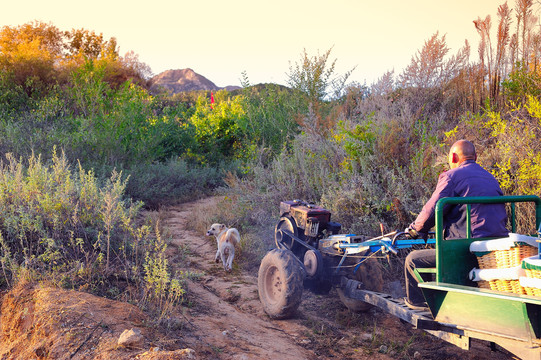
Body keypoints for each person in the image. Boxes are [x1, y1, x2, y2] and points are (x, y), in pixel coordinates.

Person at [404, 139, 508, 310]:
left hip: (467, 249)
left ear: (453, 157)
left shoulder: (451, 177)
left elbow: (431, 210)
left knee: (413, 260)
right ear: (476, 156)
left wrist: (415, 229)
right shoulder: (490, 177)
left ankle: (419, 305)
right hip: (495, 247)